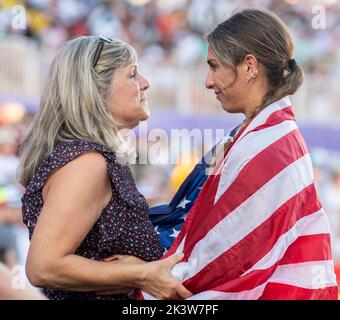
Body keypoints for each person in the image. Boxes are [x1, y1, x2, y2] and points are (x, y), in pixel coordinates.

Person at [139, 9, 338, 300]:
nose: (208, 81)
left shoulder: (266, 147)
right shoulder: (265, 136)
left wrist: (137, 279)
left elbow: (220, 264)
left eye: (214, 66)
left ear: (249, 66)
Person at [17, 35, 191, 300]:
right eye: (133, 74)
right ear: (96, 91)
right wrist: (140, 275)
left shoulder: (94, 158)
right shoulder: (86, 163)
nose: (145, 83)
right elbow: (43, 266)